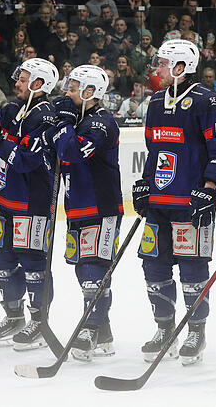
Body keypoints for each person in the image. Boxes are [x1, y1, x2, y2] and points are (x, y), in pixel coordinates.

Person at [132, 39, 216, 365]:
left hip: (192, 201)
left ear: (180, 68)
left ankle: (195, 331)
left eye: (162, 64)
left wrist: (209, 185)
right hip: (160, 200)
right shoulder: (157, 101)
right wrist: (146, 183)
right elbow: (155, 150)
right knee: (153, 264)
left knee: (192, 268)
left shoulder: (208, 101)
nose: (156, 69)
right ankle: (164, 328)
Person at [0, 58, 58, 349]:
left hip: (34, 201)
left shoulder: (48, 116)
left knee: (32, 262)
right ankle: (14, 315)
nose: (16, 82)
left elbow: (27, 159)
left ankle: (40, 323)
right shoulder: (12, 108)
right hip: (7, 198)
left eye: (23, 78)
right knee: (2, 257)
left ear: (38, 84)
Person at [41, 65, 122, 361]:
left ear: (91, 92)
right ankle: (105, 333)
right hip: (76, 206)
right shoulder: (77, 119)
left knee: (93, 271)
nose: (66, 92)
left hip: (102, 207)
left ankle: (90, 327)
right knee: (81, 267)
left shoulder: (100, 122)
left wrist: (62, 123)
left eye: (73, 88)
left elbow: (73, 152)